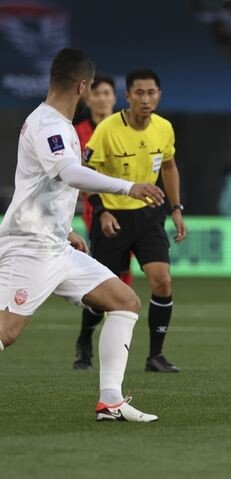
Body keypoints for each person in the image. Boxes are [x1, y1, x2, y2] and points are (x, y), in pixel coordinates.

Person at [0, 48, 165, 421]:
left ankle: (111, 401)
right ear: (83, 86)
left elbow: (44, 185)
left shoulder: (53, 123)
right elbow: (70, 174)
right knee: (6, 332)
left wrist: (68, 228)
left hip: (55, 244)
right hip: (30, 247)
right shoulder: (51, 127)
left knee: (124, 301)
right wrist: (128, 187)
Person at [83, 69, 187, 373]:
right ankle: (84, 342)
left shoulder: (164, 128)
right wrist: (101, 211)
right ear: (126, 96)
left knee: (162, 280)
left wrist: (176, 207)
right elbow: (84, 174)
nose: (145, 98)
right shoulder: (107, 130)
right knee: (101, 293)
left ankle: (155, 356)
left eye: (151, 92)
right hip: (112, 216)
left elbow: (169, 166)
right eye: (139, 93)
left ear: (159, 95)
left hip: (148, 215)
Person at [73, 75, 136, 370]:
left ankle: (113, 343)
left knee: (123, 278)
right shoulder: (78, 132)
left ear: (115, 98)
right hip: (98, 211)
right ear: (88, 98)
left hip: (132, 210)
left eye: (107, 93)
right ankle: (86, 339)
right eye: (96, 93)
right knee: (105, 279)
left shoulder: (125, 129)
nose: (101, 98)